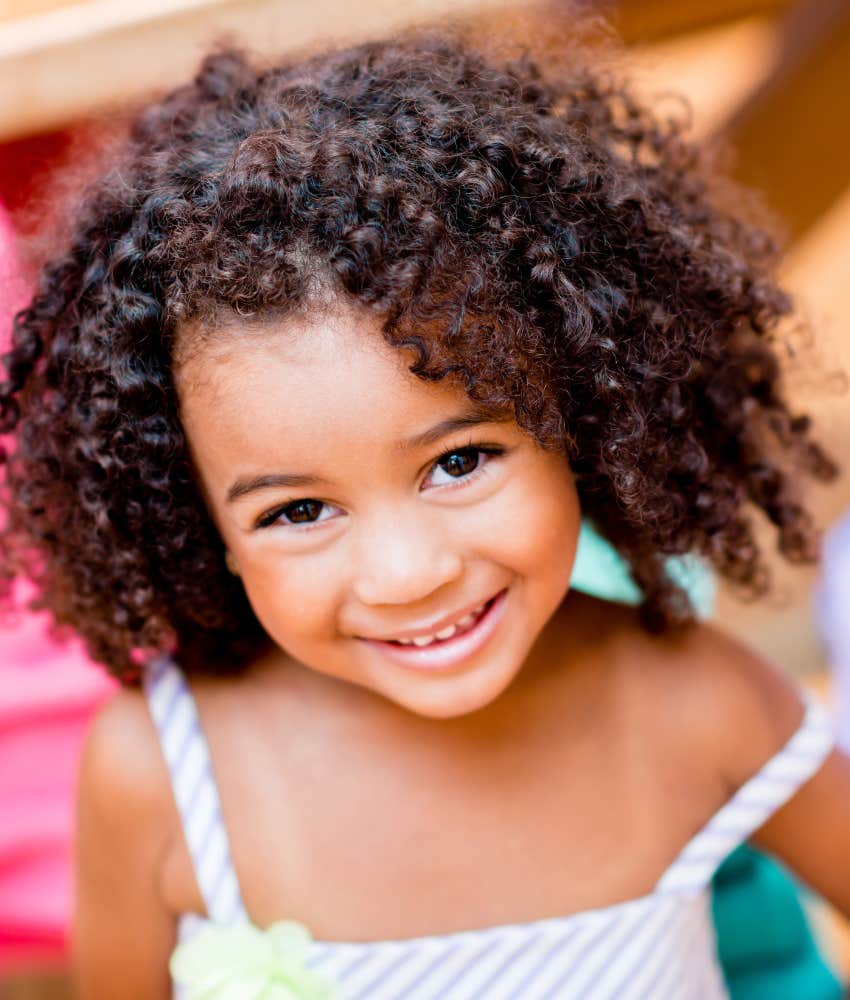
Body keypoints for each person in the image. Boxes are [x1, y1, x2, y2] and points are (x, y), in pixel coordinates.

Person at [1, 28, 848, 1000]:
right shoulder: (160, 776)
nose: (408, 572)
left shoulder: (697, 704)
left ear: (577, 419)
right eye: (297, 510)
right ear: (202, 525)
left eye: (459, 460)